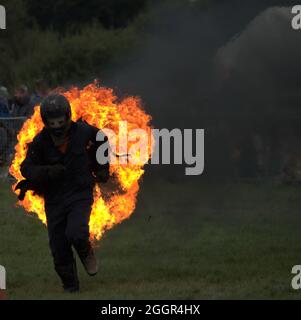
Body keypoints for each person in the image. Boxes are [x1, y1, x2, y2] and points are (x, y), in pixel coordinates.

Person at [15, 94, 110, 292]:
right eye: (52, 122)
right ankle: (71, 287)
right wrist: (47, 171)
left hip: (79, 194)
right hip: (54, 199)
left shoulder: (83, 131)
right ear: (45, 122)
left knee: (76, 232)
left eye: (60, 121)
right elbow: (26, 168)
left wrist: (102, 167)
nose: (57, 126)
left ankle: (86, 252)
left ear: (68, 117)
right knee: (59, 247)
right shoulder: (40, 142)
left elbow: (102, 139)